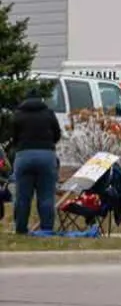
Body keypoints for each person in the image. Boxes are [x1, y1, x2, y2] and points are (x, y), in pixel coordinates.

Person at [10, 88, 62, 234]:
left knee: (22, 197)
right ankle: (46, 230)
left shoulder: (18, 115)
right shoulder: (49, 114)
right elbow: (57, 134)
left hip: (24, 156)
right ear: (40, 99)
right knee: (46, 196)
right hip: (46, 156)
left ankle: (20, 229)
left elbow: (13, 137)